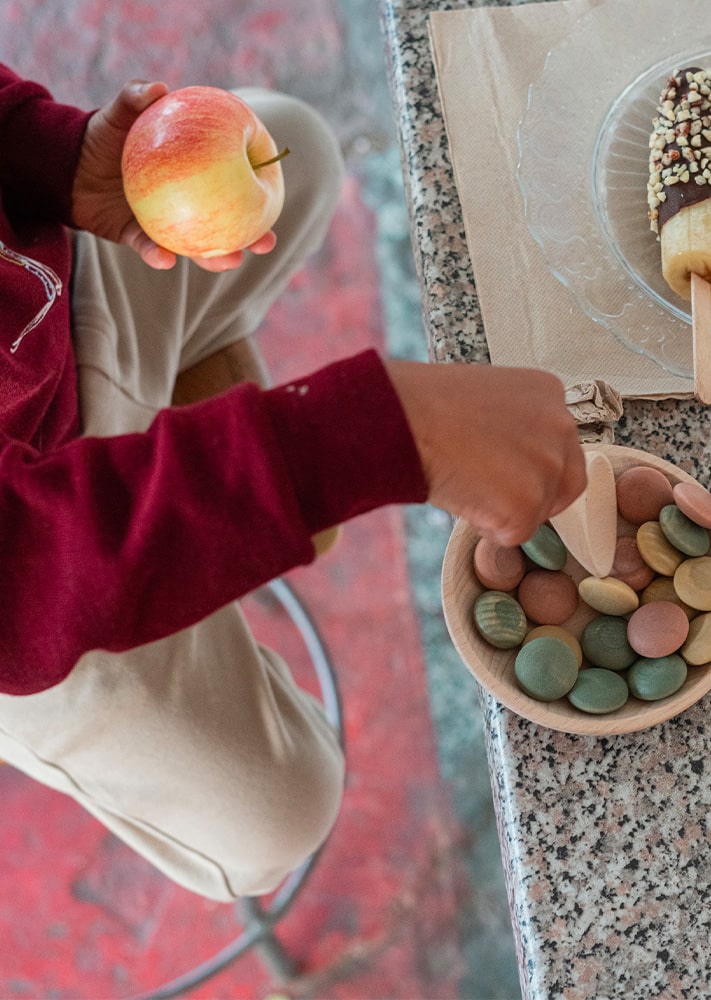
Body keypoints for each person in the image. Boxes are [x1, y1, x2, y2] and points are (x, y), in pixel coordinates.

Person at [0, 65, 586, 901]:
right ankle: (177, 554)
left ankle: (179, 471)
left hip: (47, 333)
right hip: (34, 580)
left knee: (291, 149)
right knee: (276, 810)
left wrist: (52, 158)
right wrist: (379, 434)